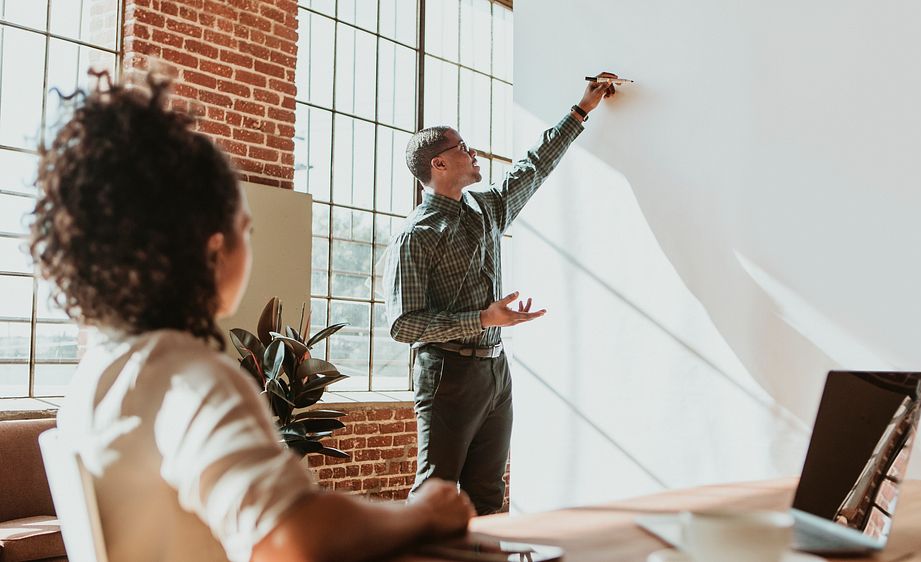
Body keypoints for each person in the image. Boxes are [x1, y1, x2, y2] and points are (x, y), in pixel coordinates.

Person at [28, 72, 474, 562]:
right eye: (247, 229)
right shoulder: (189, 377)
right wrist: (424, 514)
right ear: (215, 249)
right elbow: (292, 535)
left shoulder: (96, 376)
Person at [383, 72, 618, 515]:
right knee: (434, 498)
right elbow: (403, 324)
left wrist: (581, 110)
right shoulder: (416, 234)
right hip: (446, 375)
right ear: (439, 164)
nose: (473, 153)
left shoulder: (487, 207)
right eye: (462, 148)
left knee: (488, 497)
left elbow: (535, 166)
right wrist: (481, 319)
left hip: (495, 372)